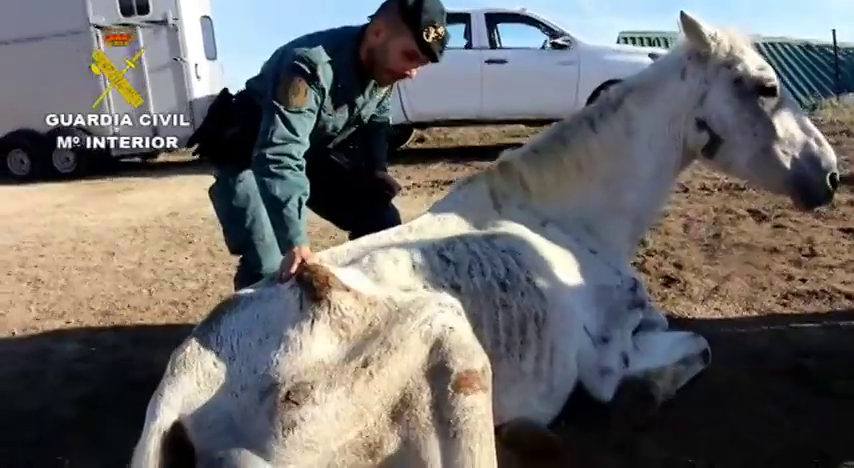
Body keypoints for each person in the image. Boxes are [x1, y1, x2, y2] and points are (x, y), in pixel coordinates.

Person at [190, 0, 449, 290]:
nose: (412, 72)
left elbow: (376, 121)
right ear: (377, 33)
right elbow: (278, 154)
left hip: (310, 153)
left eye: (420, 64)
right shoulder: (309, 66)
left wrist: (375, 170)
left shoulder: (383, 66)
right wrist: (295, 241)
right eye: (409, 56)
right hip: (250, 157)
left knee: (381, 220)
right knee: (270, 264)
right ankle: (250, 327)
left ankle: (366, 307)